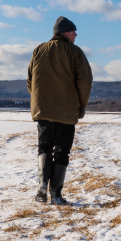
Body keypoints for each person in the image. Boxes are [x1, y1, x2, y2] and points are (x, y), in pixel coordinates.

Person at [26, 16, 93, 205]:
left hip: (43, 110)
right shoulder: (75, 52)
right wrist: (81, 105)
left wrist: (39, 100)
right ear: (65, 32)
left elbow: (30, 79)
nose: (76, 34)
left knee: (44, 147)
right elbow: (85, 82)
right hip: (66, 111)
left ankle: (41, 189)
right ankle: (56, 194)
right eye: (74, 31)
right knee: (62, 151)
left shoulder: (39, 50)